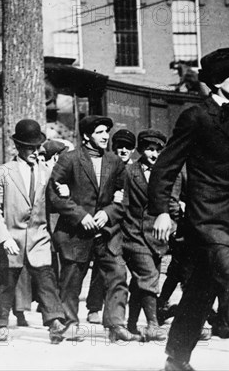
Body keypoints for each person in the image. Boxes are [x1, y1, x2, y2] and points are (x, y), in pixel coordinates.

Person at [149, 48, 229, 371]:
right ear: (218, 81)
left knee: (200, 293)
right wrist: (162, 209)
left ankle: (176, 359)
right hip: (207, 222)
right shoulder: (196, 117)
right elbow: (166, 166)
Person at [48, 115, 138, 342]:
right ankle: (70, 324)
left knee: (118, 274)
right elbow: (54, 195)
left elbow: (122, 198)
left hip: (106, 233)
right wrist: (80, 216)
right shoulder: (69, 160)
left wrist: (106, 214)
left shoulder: (114, 162)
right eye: (99, 132)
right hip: (75, 233)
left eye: (106, 132)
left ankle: (115, 324)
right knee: (71, 280)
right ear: (87, 136)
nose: (105, 136)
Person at [0, 119, 80, 344]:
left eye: (37, 146)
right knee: (6, 282)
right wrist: (3, 237)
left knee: (46, 279)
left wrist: (64, 191)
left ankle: (55, 323)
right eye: (30, 147)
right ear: (18, 147)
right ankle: (0, 324)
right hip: (11, 237)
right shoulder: (2, 172)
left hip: (38, 237)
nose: (35, 151)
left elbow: (56, 198)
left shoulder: (47, 171)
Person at [85, 128, 137, 325]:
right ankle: (94, 307)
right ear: (114, 148)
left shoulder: (135, 169)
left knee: (122, 270)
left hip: (129, 224)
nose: (123, 150)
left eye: (128, 147)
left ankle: (119, 311)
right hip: (108, 223)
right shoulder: (106, 167)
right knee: (102, 267)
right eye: (120, 146)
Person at [121, 129, 169, 341]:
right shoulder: (129, 172)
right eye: (150, 149)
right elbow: (123, 204)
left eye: (158, 150)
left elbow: (172, 202)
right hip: (134, 234)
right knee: (148, 276)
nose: (154, 154)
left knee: (141, 281)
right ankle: (153, 324)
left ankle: (131, 324)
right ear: (141, 150)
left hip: (157, 237)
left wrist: (172, 224)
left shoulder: (165, 173)